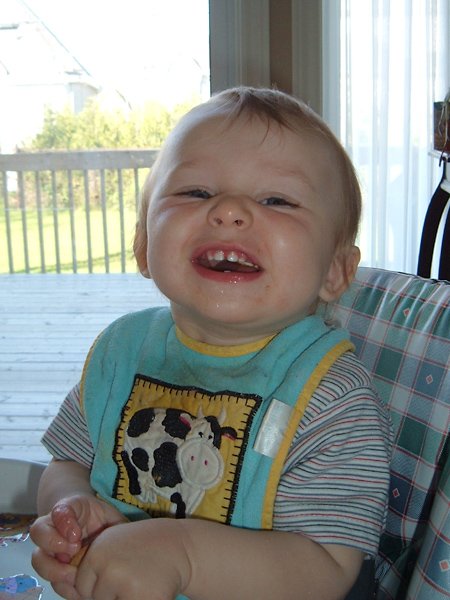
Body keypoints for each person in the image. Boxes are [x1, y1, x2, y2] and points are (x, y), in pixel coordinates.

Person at [30, 86, 392, 600]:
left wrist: (184, 555)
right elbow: (68, 462)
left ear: (335, 270)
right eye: (196, 192)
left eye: (276, 200)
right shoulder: (121, 351)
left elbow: (329, 567)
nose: (228, 212)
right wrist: (70, 511)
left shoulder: (331, 395)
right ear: (143, 244)